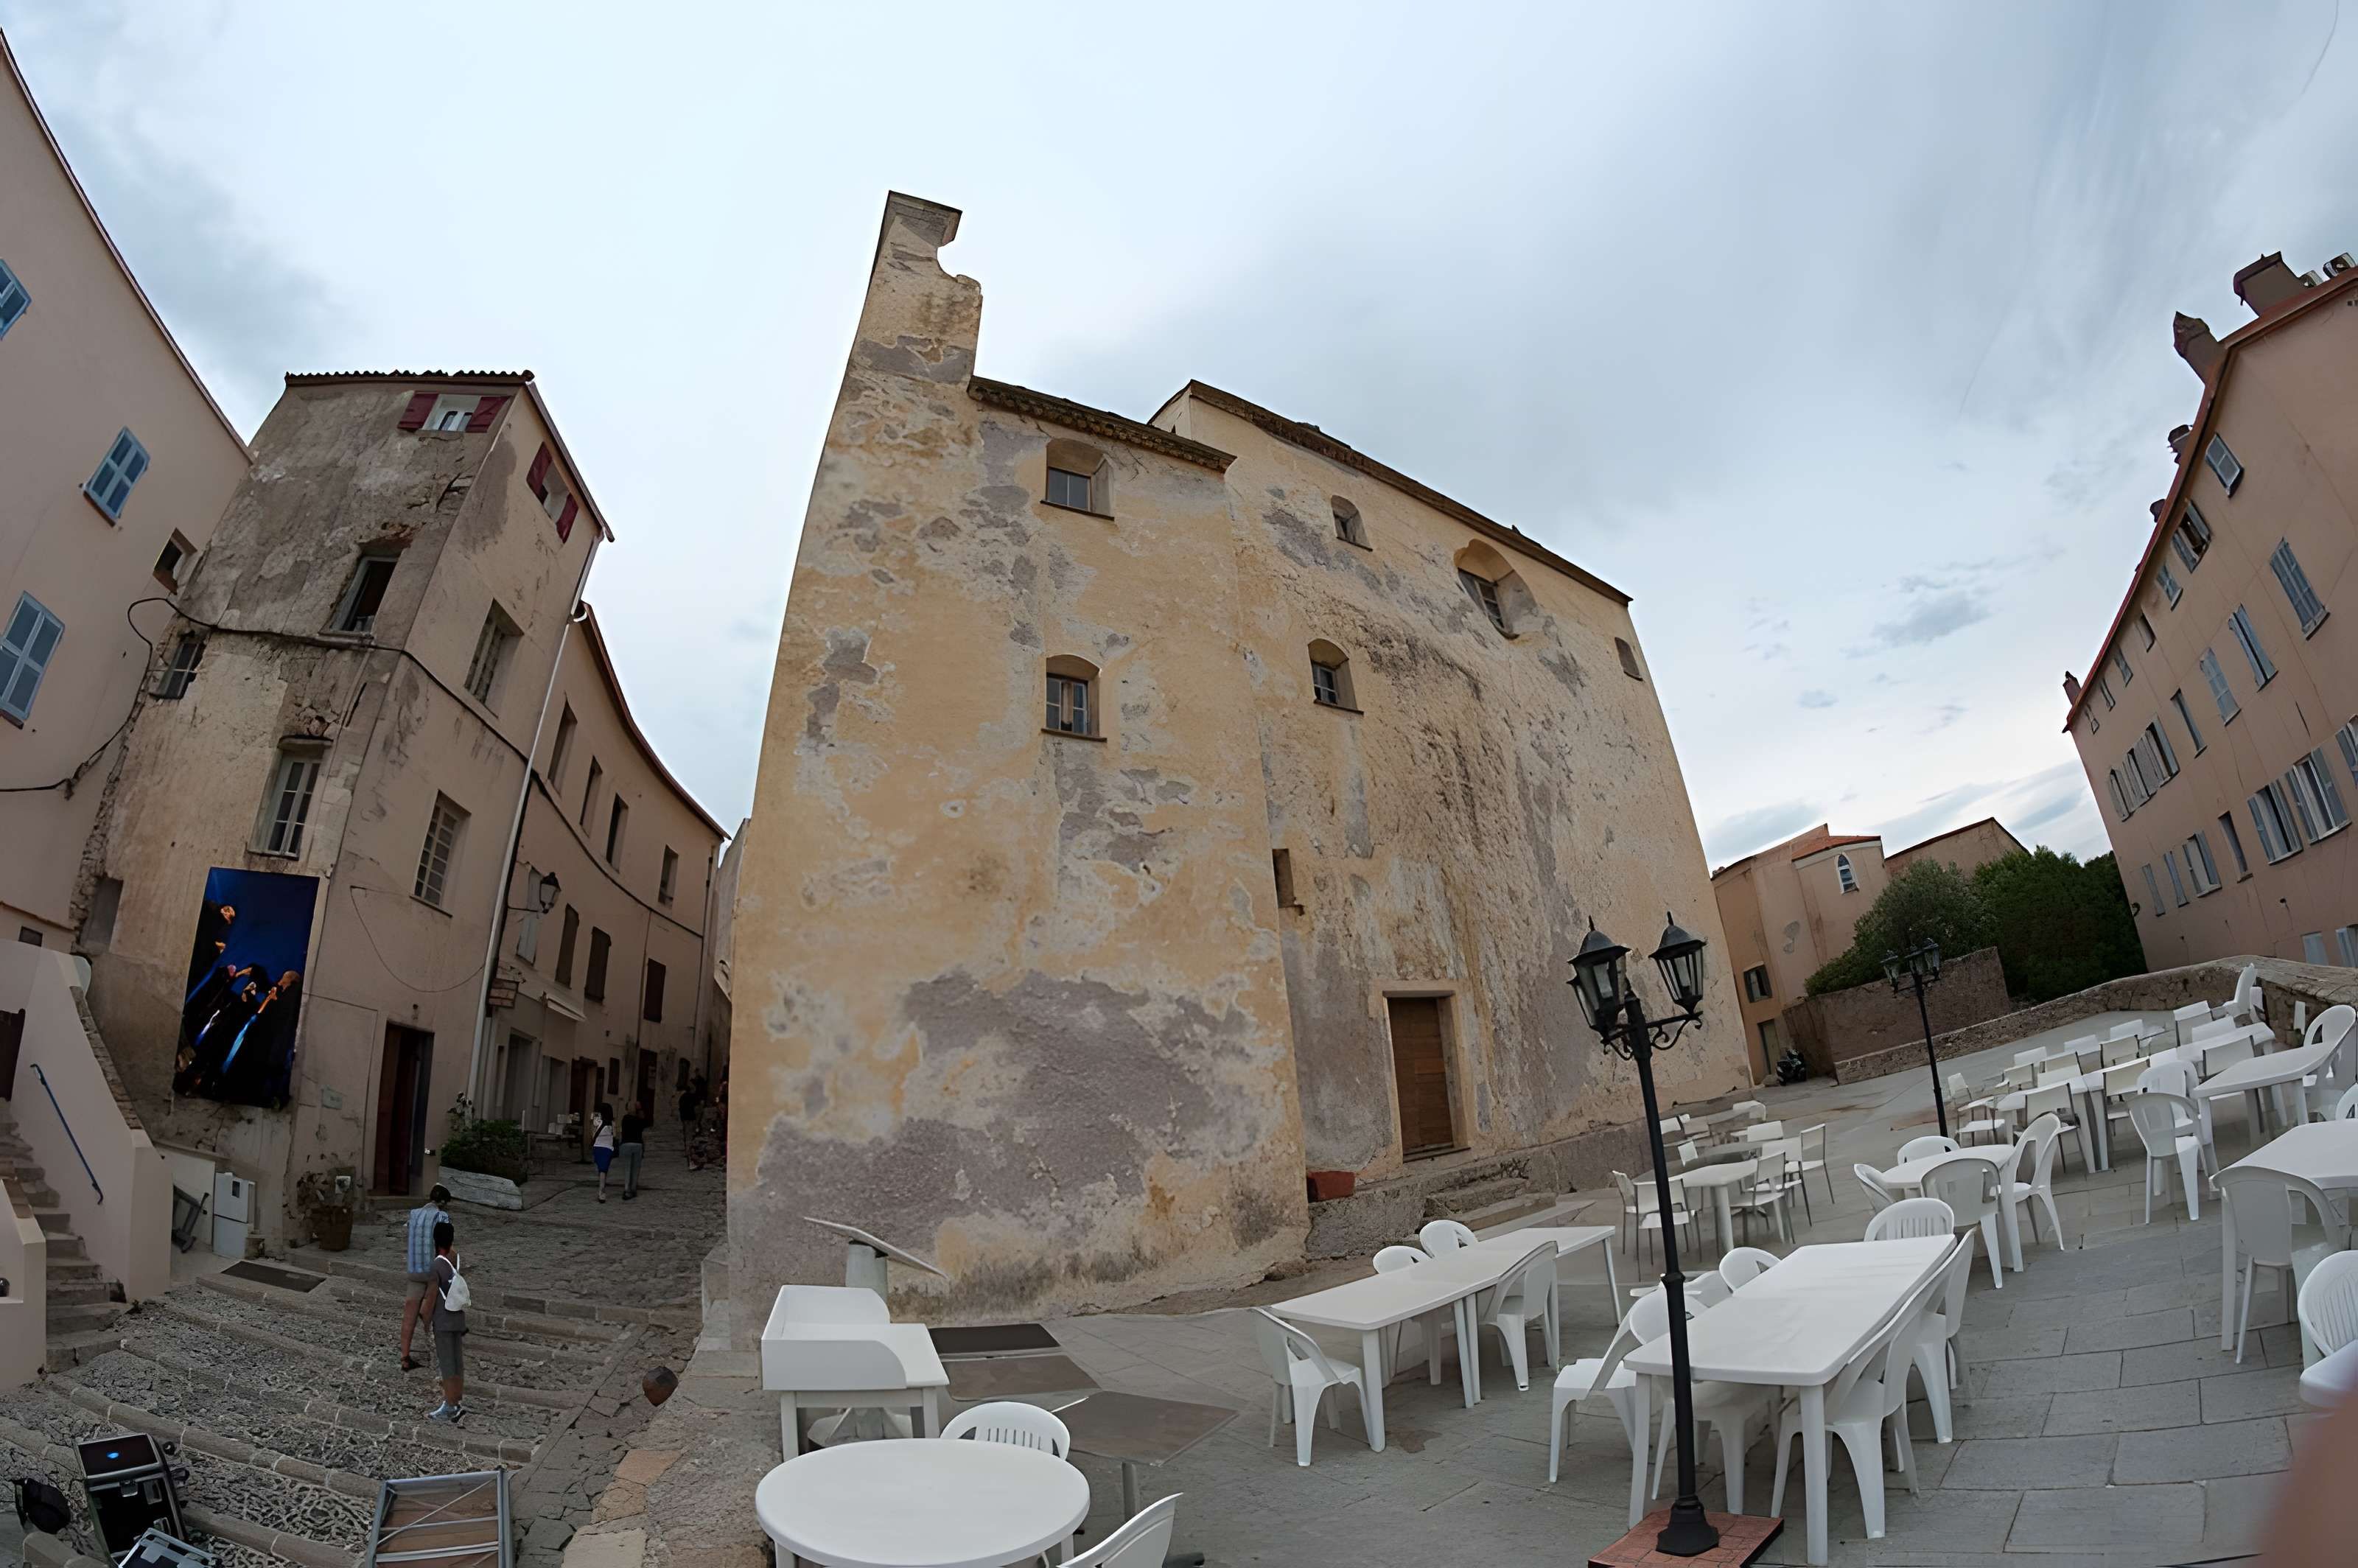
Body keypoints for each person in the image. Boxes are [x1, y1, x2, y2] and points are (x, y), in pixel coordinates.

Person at [400, 1183, 452, 1371]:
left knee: (408, 1315)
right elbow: (444, 1248)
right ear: (444, 1203)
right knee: (434, 1311)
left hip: (414, 1270)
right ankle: (439, 1357)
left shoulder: (414, 1214)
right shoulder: (442, 1216)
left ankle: (405, 1358)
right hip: (431, 1273)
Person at [427, 1219, 466, 1422]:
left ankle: (450, 1406)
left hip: (443, 1320)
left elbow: (432, 1297)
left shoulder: (436, 1265)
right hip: (458, 1317)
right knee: (457, 1360)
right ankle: (457, 1400)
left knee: (447, 1363)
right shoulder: (455, 1257)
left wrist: (425, 1319)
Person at [618, 1099, 649, 1200]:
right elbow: (644, 1124)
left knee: (627, 1168)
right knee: (636, 1169)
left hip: (626, 1144)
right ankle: (633, 1189)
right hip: (638, 1145)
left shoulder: (625, 1119)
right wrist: (640, 1109)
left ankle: (627, 1190)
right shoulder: (639, 1119)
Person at [591, 1101, 617, 1203]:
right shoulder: (612, 1123)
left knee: (601, 1169)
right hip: (608, 1147)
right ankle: (602, 1191)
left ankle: (602, 1191)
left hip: (598, 1146)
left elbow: (593, 1134)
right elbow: (614, 1136)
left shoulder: (597, 1120)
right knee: (604, 1170)